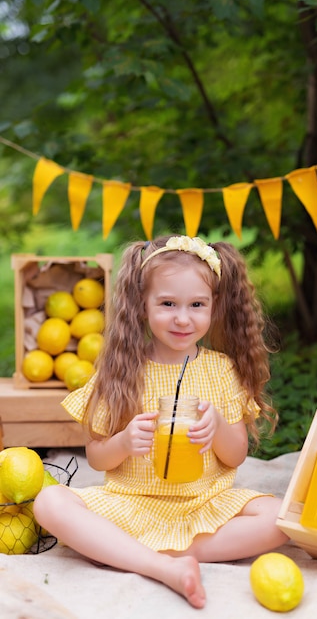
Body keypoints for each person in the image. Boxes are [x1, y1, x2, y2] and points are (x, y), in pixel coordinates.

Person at [34, 234, 288, 609]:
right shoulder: (120, 370)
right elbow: (98, 458)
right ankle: (162, 564)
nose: (182, 318)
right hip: (129, 504)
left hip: (204, 503)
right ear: (142, 305)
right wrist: (121, 443)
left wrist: (216, 425)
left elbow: (235, 457)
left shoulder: (221, 371)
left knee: (281, 517)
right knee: (49, 501)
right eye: (167, 303)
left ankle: (126, 552)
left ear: (214, 307)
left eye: (197, 304)